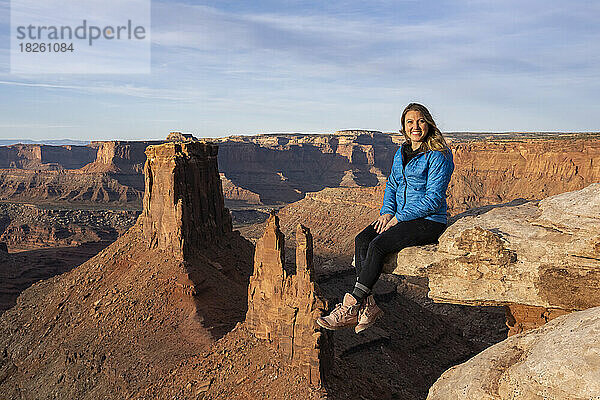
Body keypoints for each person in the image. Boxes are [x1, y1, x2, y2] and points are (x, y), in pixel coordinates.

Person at [317, 103, 454, 333]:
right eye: (410, 122)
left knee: (379, 246)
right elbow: (392, 184)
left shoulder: (438, 155)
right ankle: (369, 306)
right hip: (399, 216)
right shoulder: (402, 152)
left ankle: (352, 306)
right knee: (362, 239)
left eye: (420, 121)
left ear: (428, 123)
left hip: (429, 220)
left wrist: (399, 218)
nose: (415, 126)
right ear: (403, 127)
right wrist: (387, 212)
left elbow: (433, 199)